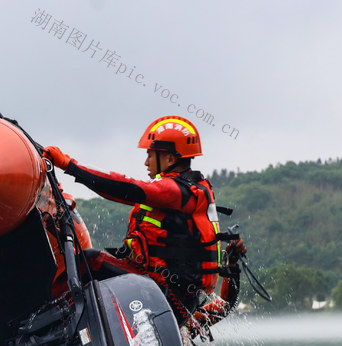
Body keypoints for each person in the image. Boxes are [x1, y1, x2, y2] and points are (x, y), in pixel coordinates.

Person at [44, 115, 224, 323]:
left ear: (170, 159)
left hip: (164, 294)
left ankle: (49, 320)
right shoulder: (191, 189)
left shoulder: (175, 191)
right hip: (170, 294)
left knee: (91, 261)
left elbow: (125, 187)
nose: (146, 162)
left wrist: (69, 164)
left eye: (151, 155)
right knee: (102, 263)